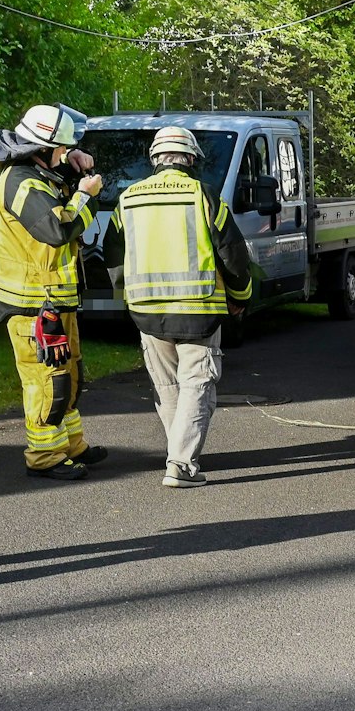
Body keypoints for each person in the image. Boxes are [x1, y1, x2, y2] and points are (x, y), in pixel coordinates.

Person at [114, 126, 255, 488]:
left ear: (155, 159)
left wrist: (125, 293)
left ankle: (178, 456)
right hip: (198, 309)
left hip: (146, 311)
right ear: (191, 160)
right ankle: (182, 464)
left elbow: (114, 255)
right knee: (197, 384)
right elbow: (234, 254)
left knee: (167, 386)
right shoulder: (202, 195)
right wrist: (240, 297)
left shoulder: (127, 198)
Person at [0, 103, 107, 480]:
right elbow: (58, 229)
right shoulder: (21, 182)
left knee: (69, 374)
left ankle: (70, 446)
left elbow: (59, 202)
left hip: (53, 298)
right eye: (59, 149)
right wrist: (86, 195)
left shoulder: (38, 171)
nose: (62, 155)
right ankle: (44, 457)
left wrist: (73, 159)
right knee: (46, 381)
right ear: (40, 148)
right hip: (31, 304)